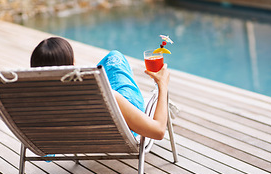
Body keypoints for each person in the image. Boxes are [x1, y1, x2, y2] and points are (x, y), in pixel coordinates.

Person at [31, 37, 170, 140]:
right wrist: (162, 84)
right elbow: (158, 131)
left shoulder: (32, 105)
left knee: (108, 65)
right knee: (115, 57)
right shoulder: (107, 97)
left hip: (83, 133)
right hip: (122, 122)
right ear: (72, 65)